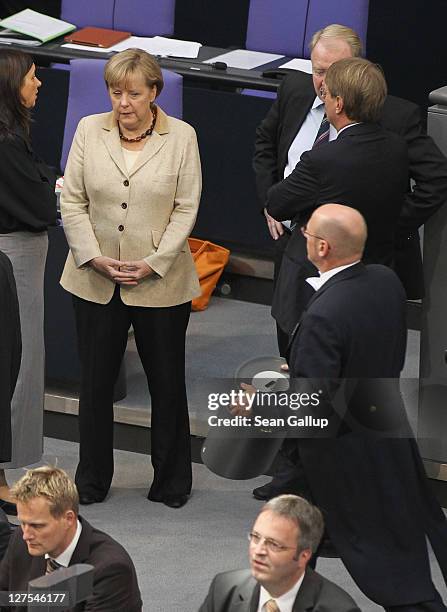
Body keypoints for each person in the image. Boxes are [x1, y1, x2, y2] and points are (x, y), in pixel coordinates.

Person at [255, 56, 409, 501]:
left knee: (316, 396)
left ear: (337, 103)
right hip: (378, 283)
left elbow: (279, 200)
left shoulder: (325, 157)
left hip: (329, 291)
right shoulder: (396, 148)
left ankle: (306, 491)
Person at [286, 204, 447, 611]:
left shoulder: (324, 314)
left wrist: (258, 406)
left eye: (307, 232)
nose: (303, 234)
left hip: (344, 456)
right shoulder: (385, 281)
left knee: (386, 568)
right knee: (293, 547)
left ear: (322, 247)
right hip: (384, 428)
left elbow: (313, 407)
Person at [60, 49, 202, 509]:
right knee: (95, 385)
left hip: (160, 281)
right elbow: (73, 200)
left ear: (155, 93)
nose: (123, 102)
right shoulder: (88, 130)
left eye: (134, 93)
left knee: (167, 383)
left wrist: (154, 261)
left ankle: (172, 481)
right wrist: (92, 255)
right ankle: (94, 480)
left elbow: (186, 207)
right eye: (116, 92)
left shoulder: (182, 137)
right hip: (95, 278)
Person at [254, 23, 447, 355]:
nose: (324, 83)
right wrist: (269, 207)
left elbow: (436, 178)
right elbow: (265, 146)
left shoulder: (397, 118)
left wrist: (385, 224)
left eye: (335, 72)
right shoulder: (294, 91)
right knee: (297, 352)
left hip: (365, 263)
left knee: (345, 364)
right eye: (318, 71)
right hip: (296, 253)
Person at [0, 49, 57, 513]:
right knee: (14, 366)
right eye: (32, 78)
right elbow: (38, 206)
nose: (38, 85)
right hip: (13, 261)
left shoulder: (11, 136)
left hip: (18, 259)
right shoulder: (5, 142)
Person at [0, 466, 142, 611]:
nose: (26, 534)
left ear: (68, 519)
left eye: (37, 526)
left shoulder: (109, 569)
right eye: (23, 523)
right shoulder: (21, 539)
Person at [199, 494, 360, 612]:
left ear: (303, 556)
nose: (259, 551)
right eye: (256, 537)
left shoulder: (338, 608)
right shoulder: (225, 588)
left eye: (274, 544)